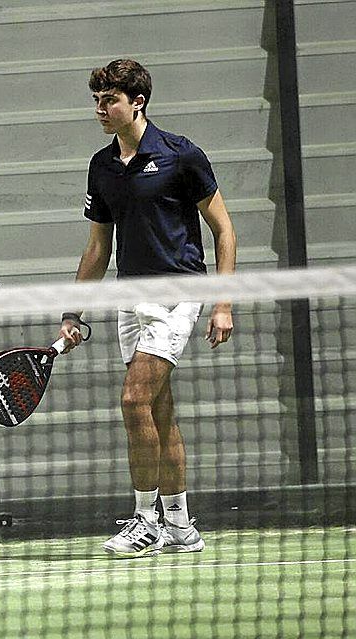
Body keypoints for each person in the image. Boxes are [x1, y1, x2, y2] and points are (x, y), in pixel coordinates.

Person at [59, 60, 237, 557]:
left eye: (110, 100)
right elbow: (98, 247)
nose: (100, 109)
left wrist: (222, 303)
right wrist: (74, 311)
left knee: (133, 400)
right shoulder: (102, 166)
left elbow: (224, 229)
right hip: (129, 296)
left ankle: (146, 521)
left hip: (177, 293)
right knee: (159, 410)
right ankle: (179, 524)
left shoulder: (181, 155)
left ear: (137, 102)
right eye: (96, 100)